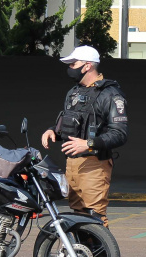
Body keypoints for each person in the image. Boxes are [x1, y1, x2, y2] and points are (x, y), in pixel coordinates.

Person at [41, 45, 129, 228]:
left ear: (87, 66)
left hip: (94, 164)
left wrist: (88, 144)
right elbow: (71, 123)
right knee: (78, 216)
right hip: (72, 164)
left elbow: (120, 133)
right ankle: (82, 256)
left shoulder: (110, 94)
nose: (70, 68)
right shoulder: (74, 92)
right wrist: (53, 131)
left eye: (74, 64)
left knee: (94, 218)